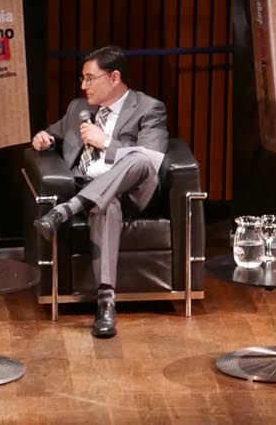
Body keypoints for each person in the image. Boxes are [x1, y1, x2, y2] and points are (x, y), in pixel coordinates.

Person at [30, 46, 168, 338]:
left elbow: (153, 158)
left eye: (90, 78)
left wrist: (106, 142)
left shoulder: (148, 108)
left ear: (114, 77)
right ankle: (106, 305)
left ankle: (66, 210)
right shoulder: (78, 108)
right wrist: (44, 138)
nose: (84, 86)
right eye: (82, 79)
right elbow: (54, 132)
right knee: (107, 206)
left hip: (132, 192)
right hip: (93, 192)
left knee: (141, 158)